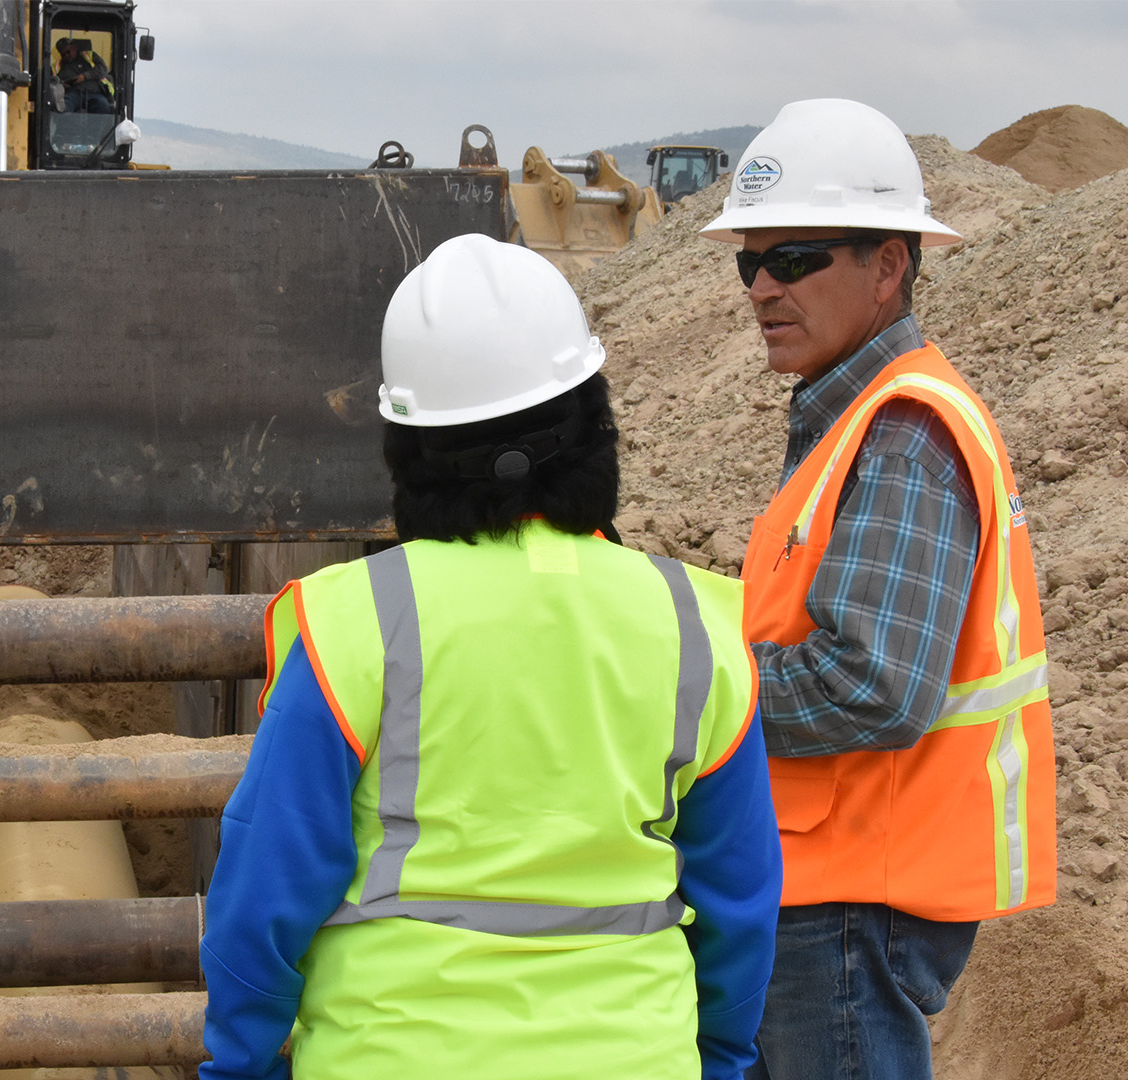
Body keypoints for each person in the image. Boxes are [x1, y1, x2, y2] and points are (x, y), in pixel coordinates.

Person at [198, 234, 781, 1080]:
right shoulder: (694, 622)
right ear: (592, 420)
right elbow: (740, 901)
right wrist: (718, 1059)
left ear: (407, 449)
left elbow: (263, 895)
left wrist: (238, 1066)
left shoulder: (353, 620)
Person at [699, 99, 1056, 1080]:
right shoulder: (853, 419)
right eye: (749, 262)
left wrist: (687, 688)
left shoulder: (900, 435)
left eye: (795, 258)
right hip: (831, 884)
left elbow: (873, 684)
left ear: (889, 264)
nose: (762, 287)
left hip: (853, 898)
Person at [53, 36, 114, 113]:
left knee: (103, 106)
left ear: (74, 47)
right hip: (73, 94)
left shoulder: (89, 56)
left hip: (94, 92)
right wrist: (62, 85)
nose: (66, 56)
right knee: (64, 109)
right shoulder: (57, 66)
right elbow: (53, 81)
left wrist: (85, 76)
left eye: (68, 52)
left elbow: (103, 69)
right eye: (63, 54)